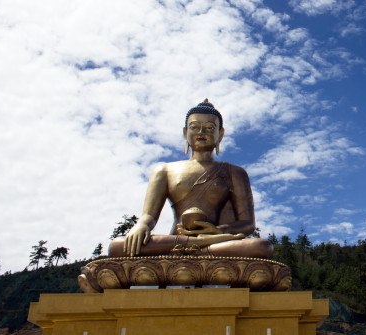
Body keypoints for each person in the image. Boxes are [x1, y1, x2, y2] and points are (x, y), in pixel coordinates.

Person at [108, 100, 273, 259]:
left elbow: (247, 223)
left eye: (209, 127)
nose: (201, 132)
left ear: (220, 134)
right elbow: (149, 216)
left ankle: (184, 254)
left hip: (215, 241)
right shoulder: (164, 170)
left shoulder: (235, 172)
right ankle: (195, 247)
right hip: (178, 240)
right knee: (118, 246)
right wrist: (141, 226)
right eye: (194, 127)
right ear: (185, 132)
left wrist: (217, 231)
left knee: (261, 247)